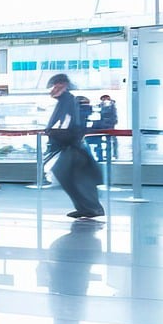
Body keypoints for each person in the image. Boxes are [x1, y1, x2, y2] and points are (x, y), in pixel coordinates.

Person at [46, 73, 104, 220]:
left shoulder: (68, 100)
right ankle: (86, 207)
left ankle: (92, 208)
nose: (52, 89)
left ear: (63, 85)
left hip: (73, 145)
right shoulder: (65, 100)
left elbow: (67, 121)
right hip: (72, 144)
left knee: (68, 173)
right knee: (70, 174)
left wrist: (54, 132)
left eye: (55, 86)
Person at [89, 93, 118, 160]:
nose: (105, 100)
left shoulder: (109, 105)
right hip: (106, 125)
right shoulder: (105, 105)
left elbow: (109, 114)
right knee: (108, 140)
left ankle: (111, 155)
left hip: (108, 125)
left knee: (109, 140)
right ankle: (109, 155)